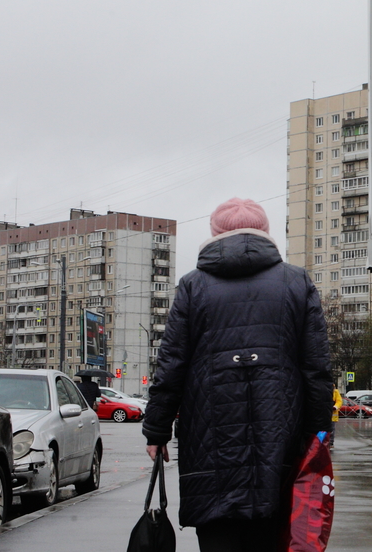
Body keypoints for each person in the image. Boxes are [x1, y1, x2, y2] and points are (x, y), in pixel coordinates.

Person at [141, 198, 333, 552]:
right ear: (264, 232)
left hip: (208, 443)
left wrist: (156, 429)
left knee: (218, 537)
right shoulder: (296, 282)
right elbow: (317, 369)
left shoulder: (192, 286)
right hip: (281, 440)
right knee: (273, 534)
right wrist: (319, 435)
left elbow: (171, 366)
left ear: (215, 233)